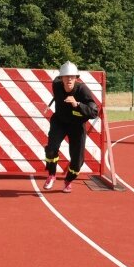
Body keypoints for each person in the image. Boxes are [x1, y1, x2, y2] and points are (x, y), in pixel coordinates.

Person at [43, 61, 99, 193]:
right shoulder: (56, 85)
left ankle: (68, 180)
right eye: (66, 76)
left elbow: (94, 112)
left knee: (77, 160)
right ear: (61, 78)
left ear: (76, 78)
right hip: (60, 121)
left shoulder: (82, 90)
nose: (69, 79)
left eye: (72, 77)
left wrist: (77, 104)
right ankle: (51, 174)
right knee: (51, 148)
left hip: (77, 125)